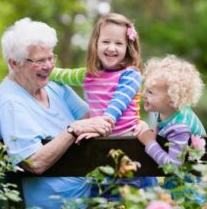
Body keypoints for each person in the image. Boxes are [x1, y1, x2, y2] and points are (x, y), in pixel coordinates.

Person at [0, 17, 113, 209]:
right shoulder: (11, 102)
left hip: (92, 200)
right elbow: (34, 162)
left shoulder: (54, 86)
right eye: (39, 61)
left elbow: (93, 118)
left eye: (50, 58)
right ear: (14, 63)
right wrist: (72, 130)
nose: (49, 66)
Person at [50, 13, 157, 197]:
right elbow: (61, 75)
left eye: (119, 43)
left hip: (128, 152)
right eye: (106, 41)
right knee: (102, 203)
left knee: (130, 205)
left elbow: (116, 105)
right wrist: (43, 69)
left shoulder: (131, 75)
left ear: (128, 47)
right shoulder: (88, 75)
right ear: (96, 44)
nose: (111, 48)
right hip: (100, 154)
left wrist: (102, 124)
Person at [136, 54, 206, 204]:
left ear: (173, 99)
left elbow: (174, 167)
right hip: (178, 187)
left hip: (188, 194)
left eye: (150, 92)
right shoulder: (166, 111)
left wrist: (149, 143)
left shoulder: (179, 126)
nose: (143, 95)